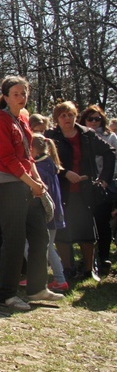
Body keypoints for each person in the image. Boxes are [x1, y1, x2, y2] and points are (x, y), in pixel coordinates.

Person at [0, 76, 63, 310]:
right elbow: (7, 158)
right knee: (15, 240)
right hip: (8, 185)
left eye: (24, 93)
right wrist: (31, 182)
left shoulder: (23, 118)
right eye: (16, 93)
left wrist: (37, 180)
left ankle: (37, 288)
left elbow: (27, 155)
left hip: (27, 184)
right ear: (6, 97)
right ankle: (6, 294)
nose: (21, 97)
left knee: (40, 235)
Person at [46, 101, 115, 282]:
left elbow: (109, 153)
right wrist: (65, 172)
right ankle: (67, 268)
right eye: (63, 115)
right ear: (57, 119)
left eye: (70, 115)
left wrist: (104, 180)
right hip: (61, 190)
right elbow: (46, 160)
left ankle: (88, 268)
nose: (67, 119)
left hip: (85, 191)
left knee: (87, 232)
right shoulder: (52, 136)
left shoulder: (87, 135)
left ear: (76, 116)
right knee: (62, 231)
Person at [78, 104, 117, 275]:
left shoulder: (110, 137)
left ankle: (104, 257)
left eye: (97, 118)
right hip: (84, 186)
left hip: (105, 185)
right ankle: (87, 260)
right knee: (86, 224)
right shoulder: (80, 137)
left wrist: (105, 181)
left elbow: (114, 160)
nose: (94, 122)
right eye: (90, 119)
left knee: (103, 223)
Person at [31, 133, 68, 292]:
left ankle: (59, 279)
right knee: (47, 246)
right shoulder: (49, 164)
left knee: (45, 247)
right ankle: (50, 278)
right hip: (55, 212)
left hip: (47, 214)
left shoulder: (40, 168)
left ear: (32, 149)